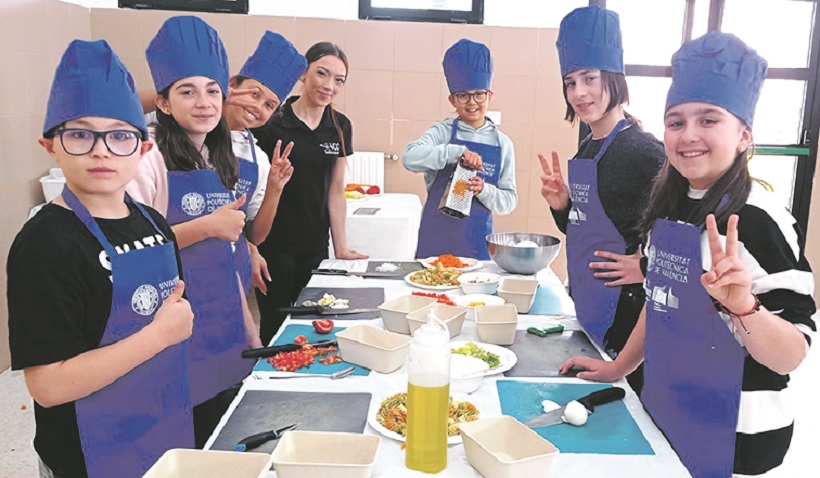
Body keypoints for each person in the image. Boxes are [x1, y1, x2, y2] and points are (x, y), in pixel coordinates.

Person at [560, 32, 816, 477]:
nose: (688, 135)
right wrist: (618, 366)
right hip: (671, 410)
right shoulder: (673, 203)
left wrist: (743, 307)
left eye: (709, 120)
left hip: (733, 435)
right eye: (676, 122)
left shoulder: (756, 217)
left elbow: (792, 353)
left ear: (744, 134)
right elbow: (660, 301)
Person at [7, 39, 194, 478]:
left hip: (161, 432)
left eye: (119, 135)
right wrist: (158, 336)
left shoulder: (152, 222)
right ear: (50, 145)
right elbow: (48, 386)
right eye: (79, 134)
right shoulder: (45, 243)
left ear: (143, 149)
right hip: (87, 454)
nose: (101, 149)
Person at [126, 15, 252, 447]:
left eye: (212, 90)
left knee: (226, 438)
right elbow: (128, 249)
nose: (204, 102)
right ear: (162, 103)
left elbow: (227, 255)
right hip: (175, 332)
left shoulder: (219, 159)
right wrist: (205, 227)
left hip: (224, 325)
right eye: (187, 91)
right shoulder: (149, 161)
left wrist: (249, 328)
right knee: (187, 444)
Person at [538, 5, 665, 394]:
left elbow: (685, 228)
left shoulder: (645, 151)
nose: (579, 92)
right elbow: (582, 229)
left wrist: (647, 265)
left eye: (589, 78)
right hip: (590, 308)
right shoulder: (587, 149)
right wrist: (561, 206)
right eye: (570, 82)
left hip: (628, 317)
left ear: (614, 77)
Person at [251, 42, 367, 346]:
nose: (329, 86)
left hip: (315, 246)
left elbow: (335, 190)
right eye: (322, 74)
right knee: (275, 326)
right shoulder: (273, 121)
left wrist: (340, 246)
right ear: (304, 73)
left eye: (339, 80)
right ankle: (269, 387)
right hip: (274, 246)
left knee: (313, 323)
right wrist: (249, 247)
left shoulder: (339, 126)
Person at [403, 38, 517, 260]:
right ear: (452, 99)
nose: (472, 102)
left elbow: (509, 200)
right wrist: (453, 152)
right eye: (463, 95)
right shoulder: (442, 132)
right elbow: (409, 157)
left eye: (479, 94)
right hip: (435, 241)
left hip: (476, 246)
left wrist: (483, 189)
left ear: (489, 96)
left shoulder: (503, 143)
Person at [220, 31, 305, 303]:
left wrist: (274, 189)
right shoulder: (190, 130)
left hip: (226, 275)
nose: (258, 107)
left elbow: (255, 234)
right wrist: (214, 92)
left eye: (269, 104)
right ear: (232, 84)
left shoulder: (257, 156)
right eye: (254, 94)